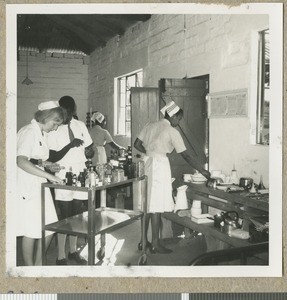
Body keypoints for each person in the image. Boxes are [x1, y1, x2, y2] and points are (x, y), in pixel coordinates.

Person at [134, 100, 211, 254]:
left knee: (147, 204)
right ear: (173, 116)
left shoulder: (150, 125)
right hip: (160, 165)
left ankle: (143, 241)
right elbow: (186, 155)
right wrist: (202, 170)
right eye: (179, 119)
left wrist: (149, 151)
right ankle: (155, 244)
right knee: (156, 206)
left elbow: (137, 144)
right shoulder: (171, 131)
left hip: (147, 163)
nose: (179, 122)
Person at [47, 96, 94, 265]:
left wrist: (89, 152)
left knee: (77, 216)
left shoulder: (80, 125)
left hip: (80, 174)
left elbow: (90, 149)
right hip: (62, 175)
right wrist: (70, 145)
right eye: (63, 113)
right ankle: (60, 255)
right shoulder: (55, 127)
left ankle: (73, 251)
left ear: (73, 110)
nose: (65, 117)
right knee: (64, 216)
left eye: (68, 113)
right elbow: (51, 156)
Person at [17, 101, 64, 266]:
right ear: (46, 117)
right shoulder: (28, 132)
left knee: (50, 225)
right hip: (28, 185)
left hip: (38, 183)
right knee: (31, 230)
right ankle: (30, 269)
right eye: (55, 123)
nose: (55, 128)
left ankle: (38, 265)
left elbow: (34, 158)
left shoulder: (40, 133)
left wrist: (48, 164)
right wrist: (49, 176)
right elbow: (21, 161)